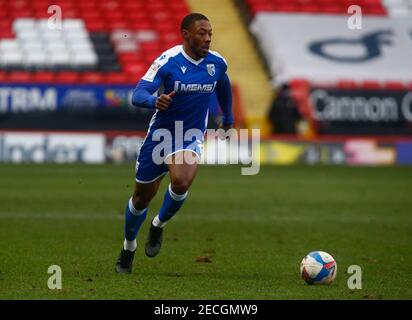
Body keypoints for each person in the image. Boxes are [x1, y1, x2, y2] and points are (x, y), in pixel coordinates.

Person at [115, 13, 234, 274]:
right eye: (201, 33)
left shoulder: (217, 63)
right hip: (160, 135)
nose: (207, 38)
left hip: (189, 135)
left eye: (210, 33)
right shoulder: (168, 61)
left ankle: (158, 225)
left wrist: (228, 116)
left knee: (181, 180)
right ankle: (129, 247)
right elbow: (138, 93)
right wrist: (153, 101)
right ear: (186, 34)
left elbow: (223, 85)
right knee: (141, 198)